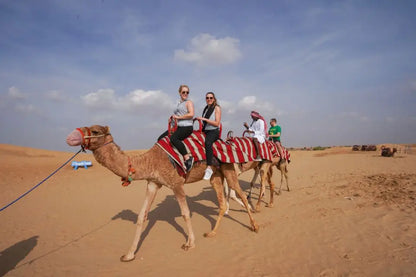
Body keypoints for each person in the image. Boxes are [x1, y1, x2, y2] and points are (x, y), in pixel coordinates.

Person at [158, 84, 195, 171]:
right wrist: (172, 119)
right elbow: (178, 114)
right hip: (177, 127)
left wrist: (178, 117)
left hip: (187, 127)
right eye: (183, 92)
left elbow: (191, 114)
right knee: (160, 138)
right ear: (179, 93)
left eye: (187, 92)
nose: (185, 93)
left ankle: (187, 158)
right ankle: (169, 158)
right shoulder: (178, 103)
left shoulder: (188, 102)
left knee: (174, 139)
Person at [197, 92, 221, 180]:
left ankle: (209, 167)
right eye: (207, 98)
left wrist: (204, 119)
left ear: (214, 99)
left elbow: (217, 123)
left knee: (207, 142)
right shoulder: (206, 108)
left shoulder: (217, 108)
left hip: (213, 131)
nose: (209, 99)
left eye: (211, 98)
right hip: (205, 131)